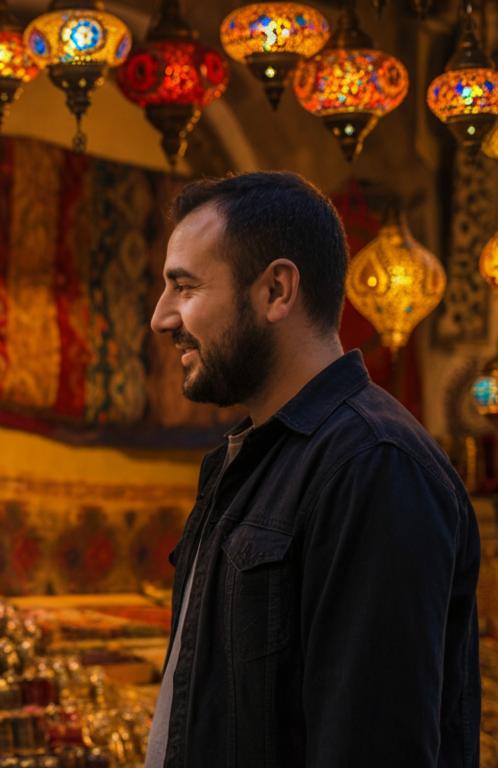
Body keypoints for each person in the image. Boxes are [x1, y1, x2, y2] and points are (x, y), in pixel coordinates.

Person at [144, 172, 479, 768]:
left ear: (276, 290)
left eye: (185, 288)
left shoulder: (374, 467)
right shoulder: (252, 457)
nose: (162, 318)